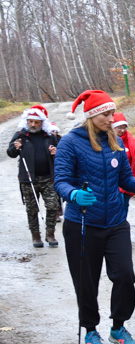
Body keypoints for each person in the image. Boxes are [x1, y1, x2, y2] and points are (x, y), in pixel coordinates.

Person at [53, 90, 135, 344]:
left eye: (112, 113)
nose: (112, 118)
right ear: (92, 116)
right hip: (81, 223)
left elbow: (126, 180)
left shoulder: (115, 142)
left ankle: (118, 327)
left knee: (125, 275)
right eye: (106, 114)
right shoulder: (70, 143)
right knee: (86, 281)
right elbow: (61, 181)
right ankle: (90, 330)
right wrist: (75, 194)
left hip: (115, 222)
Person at [7, 105, 62, 247]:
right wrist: (15, 147)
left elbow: (62, 154)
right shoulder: (21, 135)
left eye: (36, 122)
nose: (33, 124)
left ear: (42, 123)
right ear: (27, 121)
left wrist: (56, 153)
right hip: (28, 179)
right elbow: (11, 153)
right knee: (32, 209)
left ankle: (50, 233)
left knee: (53, 206)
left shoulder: (49, 136)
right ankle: (35, 236)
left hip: (48, 178)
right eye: (31, 121)